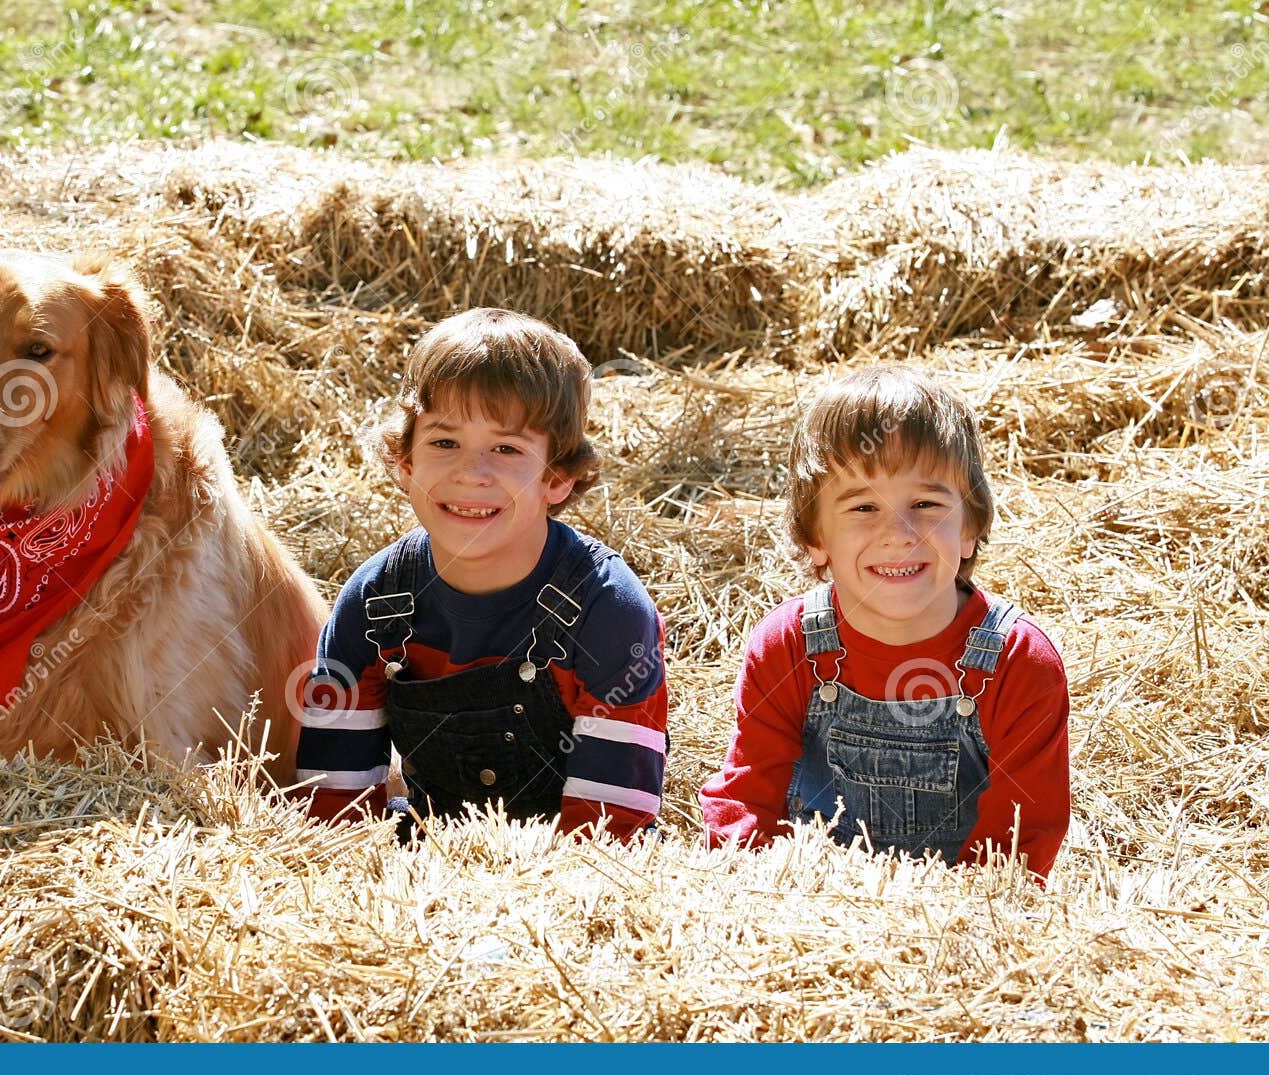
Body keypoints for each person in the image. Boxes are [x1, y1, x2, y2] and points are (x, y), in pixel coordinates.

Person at [294, 308, 667, 842]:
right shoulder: (375, 602)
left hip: (571, 869)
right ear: (405, 462)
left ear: (558, 477)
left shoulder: (606, 609)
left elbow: (609, 832)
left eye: (507, 448)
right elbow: (335, 802)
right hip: (428, 852)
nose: (471, 473)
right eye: (444, 443)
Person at [700, 364, 1070, 877]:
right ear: (815, 538)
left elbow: (1022, 840)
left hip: (956, 925)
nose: (899, 533)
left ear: (970, 528)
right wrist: (746, 889)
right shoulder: (788, 647)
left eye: (925, 503)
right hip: (808, 911)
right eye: (863, 508)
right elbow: (749, 796)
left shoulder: (1018, 662)